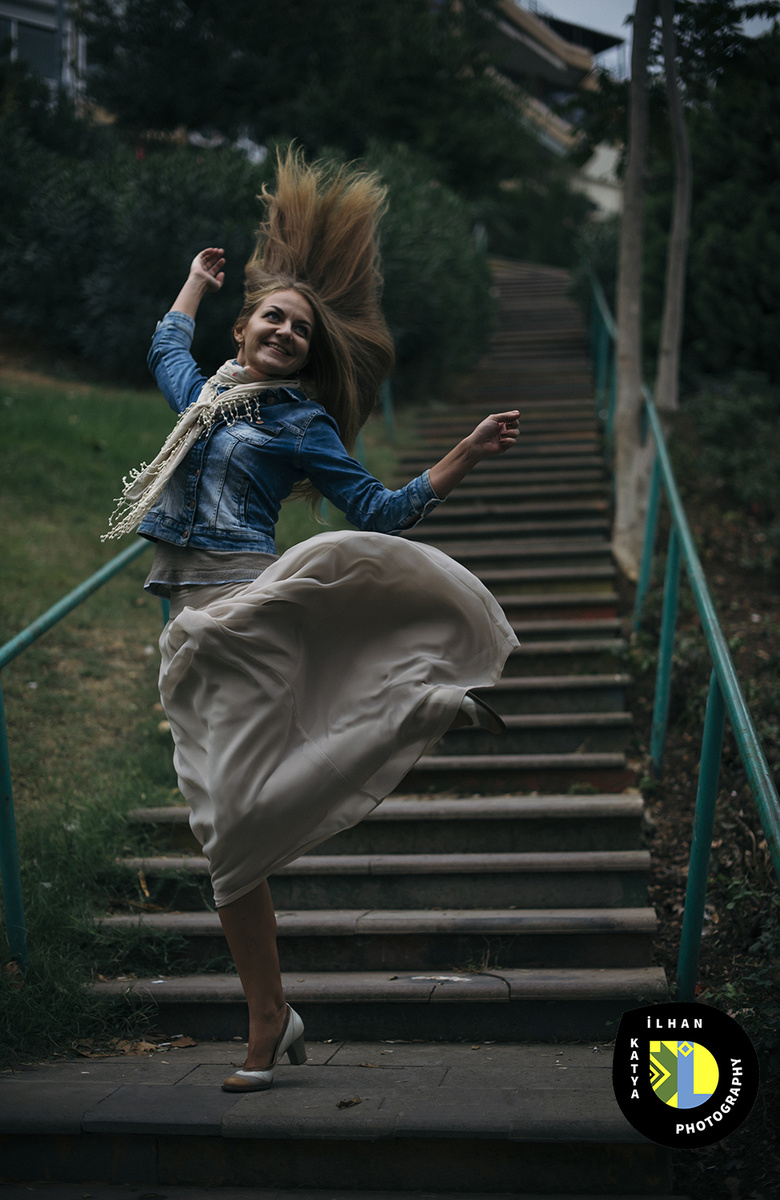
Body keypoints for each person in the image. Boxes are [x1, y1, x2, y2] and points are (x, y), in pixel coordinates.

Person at [105, 151, 521, 1092]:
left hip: (249, 613)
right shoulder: (204, 399)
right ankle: (273, 1013)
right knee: (225, 840)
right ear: (247, 328)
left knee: (239, 816)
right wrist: (198, 282)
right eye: (272, 319)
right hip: (186, 627)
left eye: (299, 327)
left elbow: (376, 512)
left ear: (308, 350)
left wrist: (461, 454)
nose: (286, 332)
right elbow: (167, 348)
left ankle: (418, 704)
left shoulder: (299, 425)